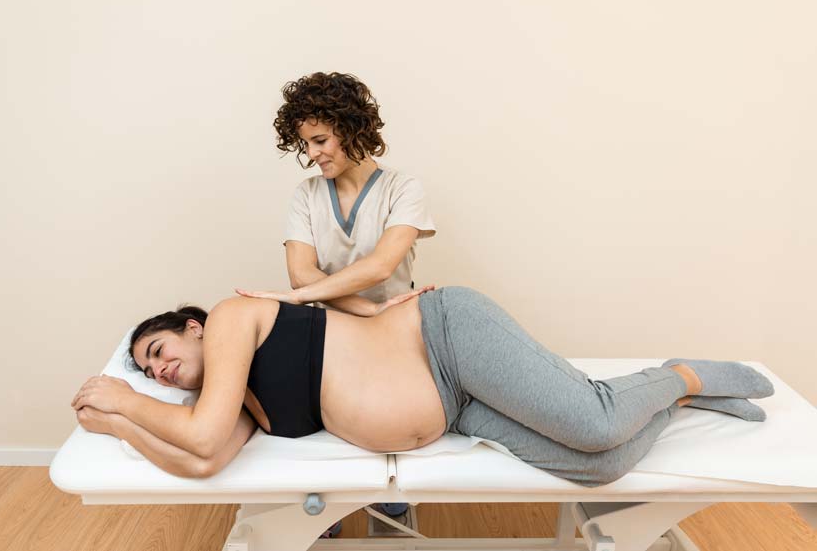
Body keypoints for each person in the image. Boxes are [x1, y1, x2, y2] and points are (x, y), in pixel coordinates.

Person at [72, 287, 773, 487]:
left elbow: (194, 436)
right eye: (147, 370)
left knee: (592, 422)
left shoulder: (231, 317)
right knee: (602, 464)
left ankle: (681, 373)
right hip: (457, 408)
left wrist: (123, 397)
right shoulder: (232, 406)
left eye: (158, 350)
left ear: (192, 325)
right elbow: (203, 456)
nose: (157, 371)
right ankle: (675, 398)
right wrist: (120, 425)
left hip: (443, 338)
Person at [236, 71, 436, 316]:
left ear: (352, 130)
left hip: (393, 323)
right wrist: (370, 308)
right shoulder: (307, 194)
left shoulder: (403, 189)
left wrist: (300, 297)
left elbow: (380, 267)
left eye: (320, 141)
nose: (311, 153)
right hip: (332, 328)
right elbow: (300, 274)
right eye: (306, 144)